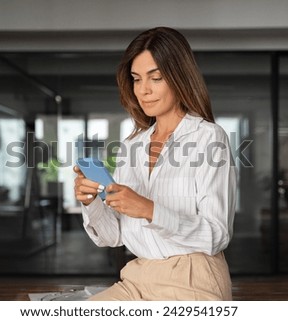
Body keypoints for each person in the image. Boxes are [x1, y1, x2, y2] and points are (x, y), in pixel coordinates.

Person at [73, 27, 236, 301]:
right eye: (136, 79)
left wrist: (149, 209)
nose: (143, 90)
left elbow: (216, 235)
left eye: (156, 78)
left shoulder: (208, 138)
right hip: (137, 277)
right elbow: (114, 236)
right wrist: (91, 202)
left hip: (192, 278)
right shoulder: (132, 145)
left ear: (179, 78)